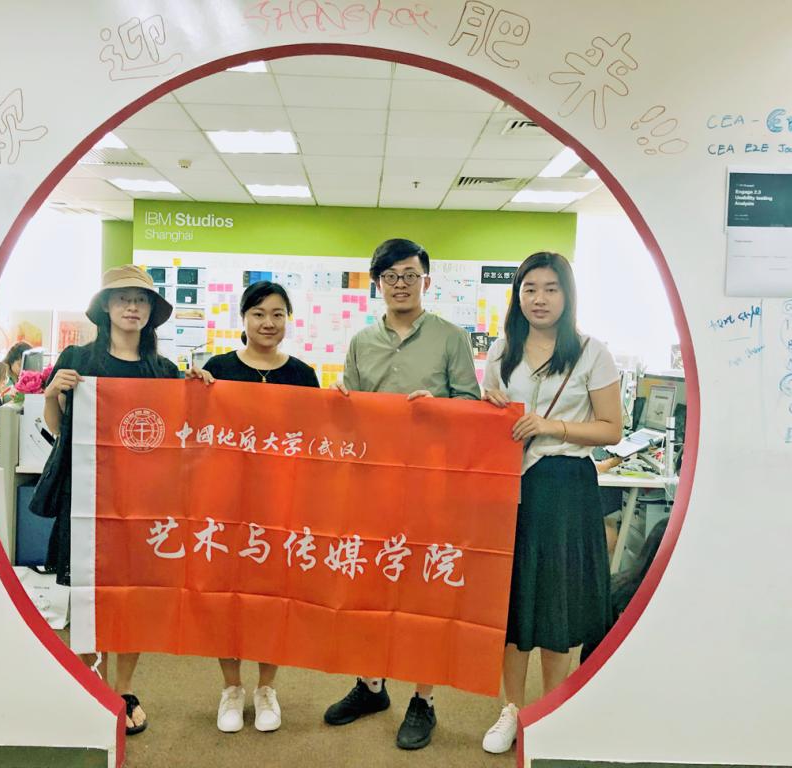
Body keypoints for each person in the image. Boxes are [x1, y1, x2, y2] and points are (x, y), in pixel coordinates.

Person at [40, 264, 211, 736]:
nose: (132, 308)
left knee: (132, 599)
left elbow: (183, 436)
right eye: (122, 299)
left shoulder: (163, 371)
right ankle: (90, 687)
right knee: (87, 595)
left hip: (144, 502)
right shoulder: (78, 359)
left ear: (151, 312)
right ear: (106, 308)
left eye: (140, 300)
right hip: (86, 496)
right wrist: (53, 393)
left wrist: (201, 391)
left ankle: (125, 689)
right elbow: (57, 428)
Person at [325, 238, 480, 751]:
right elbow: (349, 417)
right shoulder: (361, 341)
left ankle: (423, 699)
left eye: (410, 275)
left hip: (430, 487)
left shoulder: (451, 338)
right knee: (370, 587)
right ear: (378, 284)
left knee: (423, 592)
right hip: (372, 486)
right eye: (390, 276)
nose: (400, 284)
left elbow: (473, 410)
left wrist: (440, 406)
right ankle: (371, 686)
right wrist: (340, 403)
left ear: (425, 281)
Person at [479, 252, 622, 754]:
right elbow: (489, 423)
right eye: (529, 289)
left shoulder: (591, 352)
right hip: (511, 485)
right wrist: (491, 409)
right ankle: (511, 709)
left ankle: (552, 711)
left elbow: (611, 428)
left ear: (568, 294)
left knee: (557, 605)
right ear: (517, 295)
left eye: (550, 288)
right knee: (514, 603)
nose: (539, 299)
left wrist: (551, 426)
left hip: (565, 485)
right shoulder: (503, 350)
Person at [202, 280, 319, 735]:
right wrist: (195, 390)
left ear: (288, 319)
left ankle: (266, 688)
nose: (268, 323)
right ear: (243, 318)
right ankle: (231, 687)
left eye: (277, 314)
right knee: (226, 597)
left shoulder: (303, 375)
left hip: (281, 504)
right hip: (226, 503)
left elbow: (317, 438)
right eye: (258, 314)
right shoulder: (217, 369)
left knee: (274, 597)